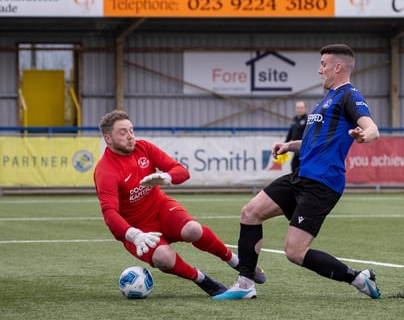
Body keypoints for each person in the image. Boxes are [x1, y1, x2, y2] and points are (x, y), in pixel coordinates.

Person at [213, 44, 382, 300]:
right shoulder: (325, 100)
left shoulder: (350, 96)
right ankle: (245, 284)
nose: (319, 69)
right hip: (301, 177)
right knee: (250, 212)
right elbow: (313, 144)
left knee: (295, 253)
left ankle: (358, 278)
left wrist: (363, 135)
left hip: (322, 184)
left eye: (323, 64)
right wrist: (288, 146)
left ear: (337, 67)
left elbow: (372, 129)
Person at [94, 109, 266, 296]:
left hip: (161, 209)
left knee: (193, 229)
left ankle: (235, 261)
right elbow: (110, 213)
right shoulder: (106, 171)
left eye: (131, 130)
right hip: (139, 229)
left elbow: (182, 171)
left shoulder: (144, 148)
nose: (130, 136)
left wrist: (167, 177)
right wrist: (133, 235)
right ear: (108, 139)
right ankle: (203, 279)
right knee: (163, 258)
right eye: (123, 132)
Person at [284, 100, 308, 173]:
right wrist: (285, 144)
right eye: (298, 108)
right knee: (294, 165)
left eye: (301, 108)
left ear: (305, 109)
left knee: (300, 166)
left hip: (303, 148)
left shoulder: (308, 120)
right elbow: (290, 133)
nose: (299, 110)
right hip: (296, 149)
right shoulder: (294, 120)